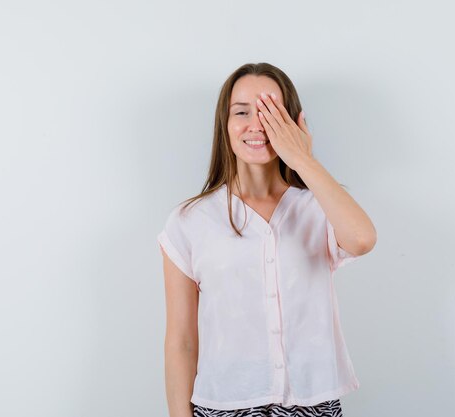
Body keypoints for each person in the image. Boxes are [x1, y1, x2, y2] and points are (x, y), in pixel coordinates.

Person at [157, 62, 377, 417]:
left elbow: (363, 240)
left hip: (313, 404)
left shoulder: (319, 206)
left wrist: (303, 158)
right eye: (242, 112)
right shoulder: (189, 221)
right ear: (224, 125)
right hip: (223, 406)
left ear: (292, 123)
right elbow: (181, 341)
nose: (257, 124)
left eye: (271, 112)